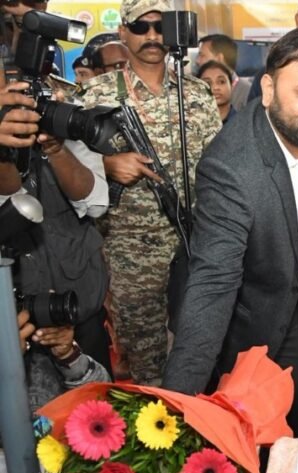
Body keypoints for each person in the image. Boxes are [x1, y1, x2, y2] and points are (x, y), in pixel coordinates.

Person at [162, 27, 298, 439]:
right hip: (242, 328)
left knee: (291, 431)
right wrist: (175, 408)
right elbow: (214, 283)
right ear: (267, 89)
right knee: (240, 450)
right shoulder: (232, 168)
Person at [82, 0, 222, 386]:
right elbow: (65, 170)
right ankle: (157, 438)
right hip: (130, 250)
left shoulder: (196, 94)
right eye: (140, 28)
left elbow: (218, 165)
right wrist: (106, 166)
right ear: (123, 33)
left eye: (160, 27)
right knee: (146, 360)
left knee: (199, 346)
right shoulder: (95, 95)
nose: (152, 36)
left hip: (195, 241)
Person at [1, 74, 112, 377]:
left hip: (77, 307)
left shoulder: (53, 109)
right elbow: (12, 199)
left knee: (98, 417)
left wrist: (56, 148)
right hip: (13, 319)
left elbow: (95, 202)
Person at [196, 33, 251, 110]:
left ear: (219, 58)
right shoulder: (197, 91)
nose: (197, 61)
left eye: (202, 55)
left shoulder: (247, 94)